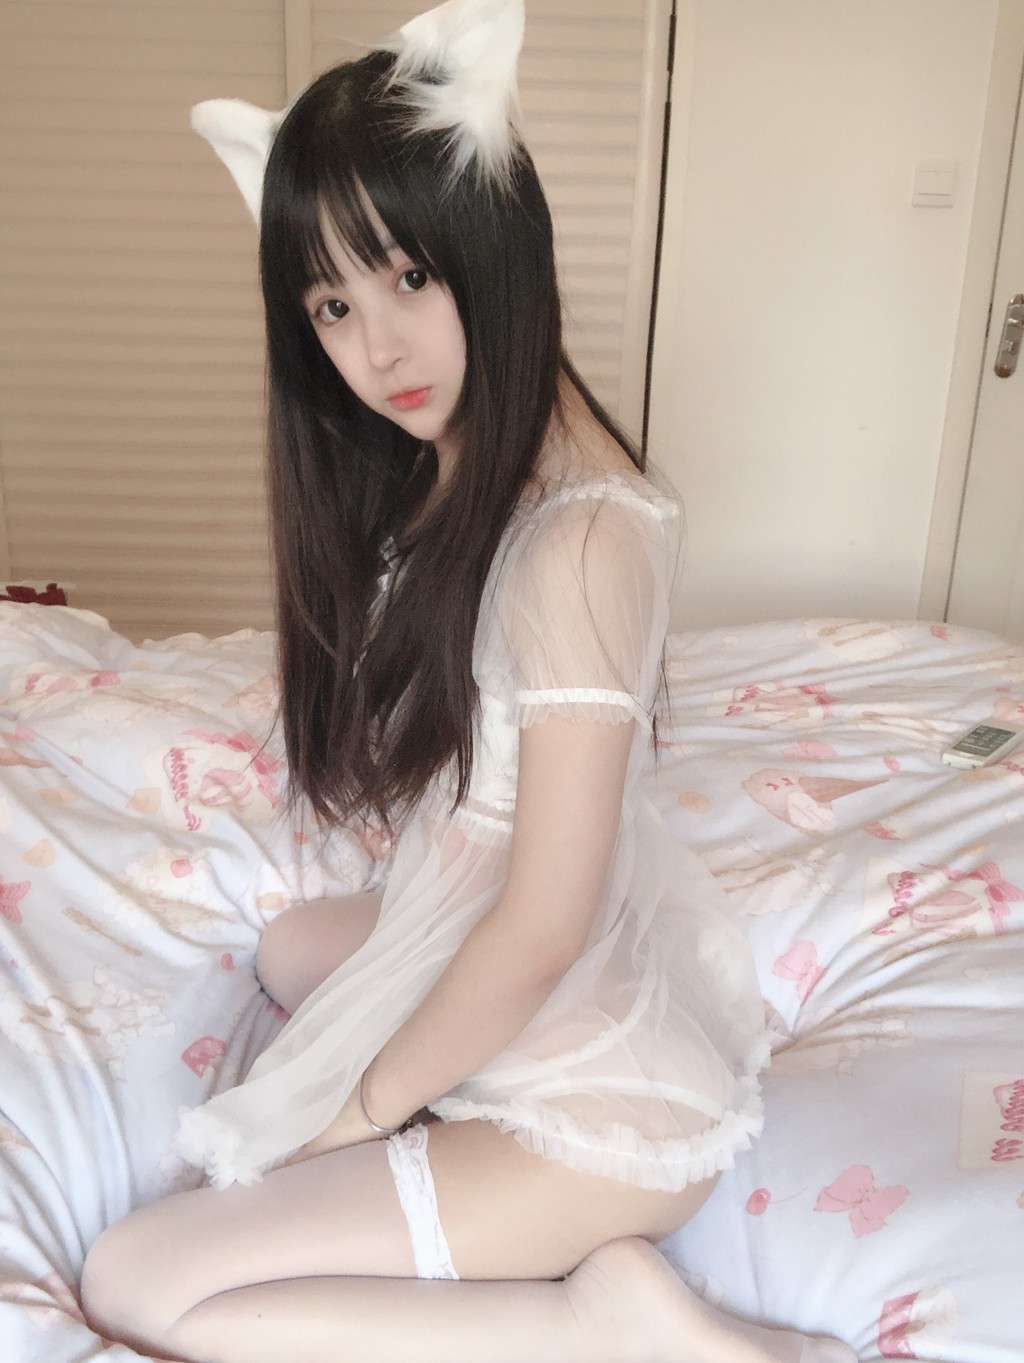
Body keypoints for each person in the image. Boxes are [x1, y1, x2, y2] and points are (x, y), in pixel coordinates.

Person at [79, 3, 857, 1361]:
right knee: (291, 948)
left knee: (139, 1281)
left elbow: (543, 923)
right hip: (515, 955)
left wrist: (355, 1114)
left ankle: (601, 1324)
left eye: (407, 278)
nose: (377, 350)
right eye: (333, 305)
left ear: (495, 248)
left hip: (598, 1111)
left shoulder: (580, 539)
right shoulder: (471, 463)